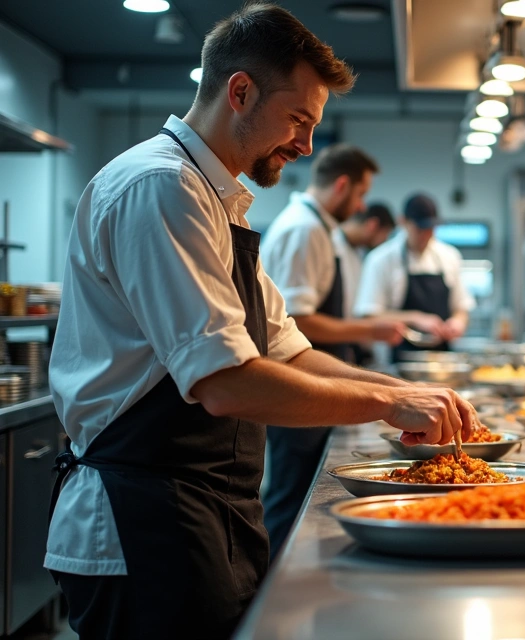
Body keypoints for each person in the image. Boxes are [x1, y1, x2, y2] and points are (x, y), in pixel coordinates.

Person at [45, 6, 477, 638]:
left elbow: (288, 349)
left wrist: (408, 395)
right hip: (141, 525)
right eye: (298, 118)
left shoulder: (221, 202)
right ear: (239, 91)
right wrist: (386, 403)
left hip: (204, 512)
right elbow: (225, 382)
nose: (306, 145)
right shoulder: (160, 187)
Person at [259, 144, 406, 557]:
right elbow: (296, 322)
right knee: (290, 497)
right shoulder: (304, 230)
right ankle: (276, 603)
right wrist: (369, 330)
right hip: (297, 385)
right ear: (342, 186)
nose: (361, 205)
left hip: (313, 383)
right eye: (360, 195)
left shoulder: (319, 230)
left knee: (297, 493)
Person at [355, 193, 474, 355]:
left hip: (441, 359)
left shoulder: (449, 256)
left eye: (431, 229)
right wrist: (416, 318)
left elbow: (461, 308)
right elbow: (368, 317)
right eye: (420, 228)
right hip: (395, 361)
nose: (426, 235)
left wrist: (457, 322)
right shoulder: (381, 259)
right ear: (403, 222)